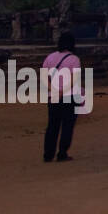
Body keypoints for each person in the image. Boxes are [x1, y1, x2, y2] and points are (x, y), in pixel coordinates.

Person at [42, 32, 84, 162]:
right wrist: (63, 90)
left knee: (52, 125)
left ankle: (48, 154)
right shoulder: (74, 59)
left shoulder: (50, 57)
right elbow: (74, 79)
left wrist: (54, 90)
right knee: (67, 125)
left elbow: (44, 77)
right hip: (69, 95)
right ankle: (62, 153)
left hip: (53, 95)